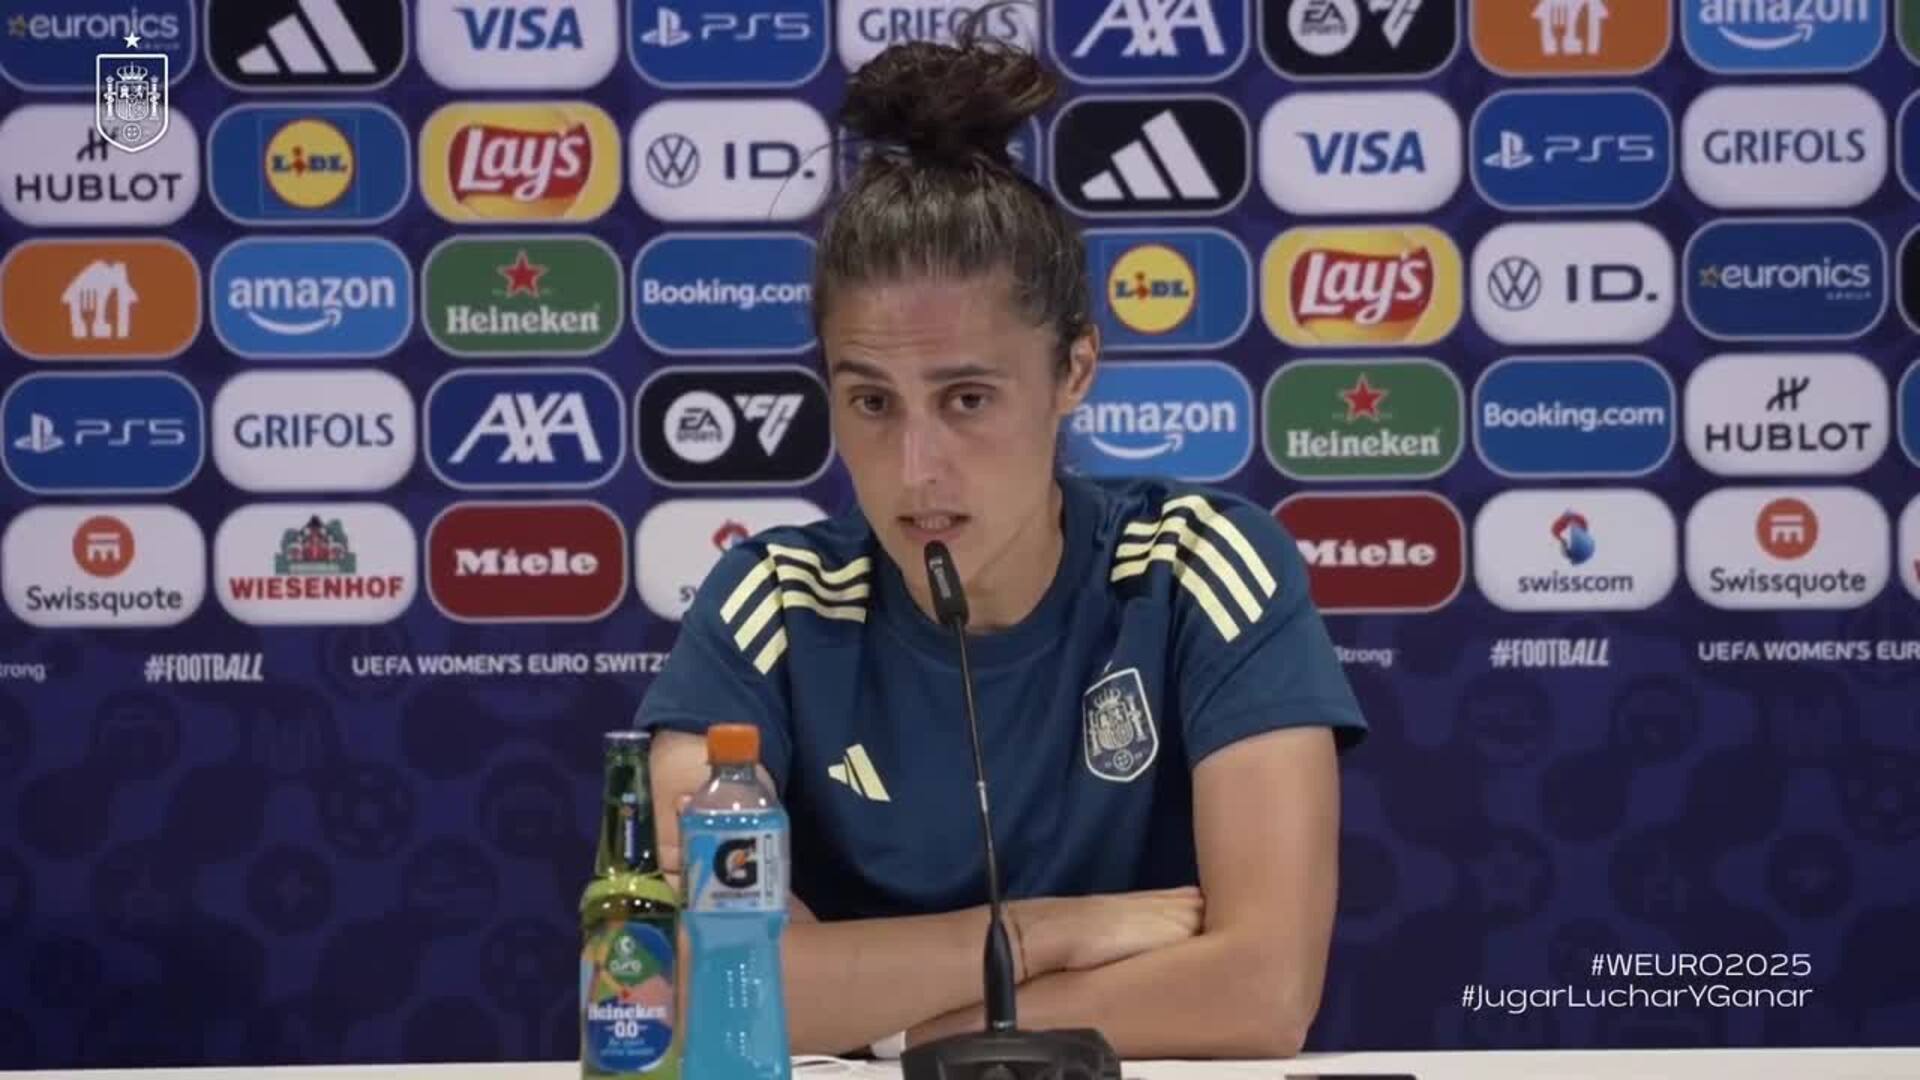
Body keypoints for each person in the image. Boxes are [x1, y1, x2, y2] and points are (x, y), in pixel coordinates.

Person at [634, 17, 1368, 1062]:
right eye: (872, 401)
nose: (916, 468)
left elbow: (1261, 991)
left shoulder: (1201, 567)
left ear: (1074, 372)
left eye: (967, 398)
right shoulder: (770, 602)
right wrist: (1041, 934)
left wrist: (898, 1026)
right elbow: (695, 980)